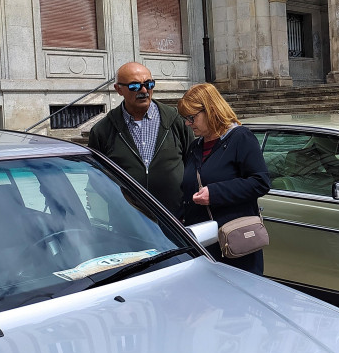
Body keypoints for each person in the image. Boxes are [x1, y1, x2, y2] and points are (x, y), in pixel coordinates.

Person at [178, 83, 270, 275]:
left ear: (210, 110)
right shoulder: (195, 146)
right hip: (202, 246)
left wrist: (215, 193)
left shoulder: (241, 138)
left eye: (191, 117)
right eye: (186, 119)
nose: (188, 123)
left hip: (235, 246)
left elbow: (260, 182)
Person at [88, 62, 193, 217]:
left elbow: (193, 165)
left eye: (149, 84)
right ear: (118, 89)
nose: (144, 90)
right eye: (135, 86)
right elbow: (96, 179)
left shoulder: (176, 121)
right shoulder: (102, 131)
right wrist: (120, 202)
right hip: (128, 225)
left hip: (175, 223)